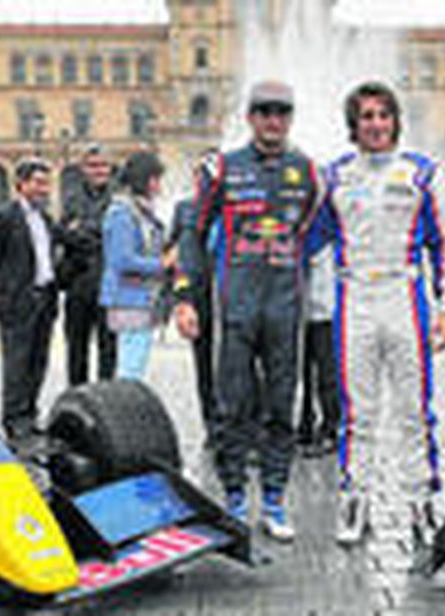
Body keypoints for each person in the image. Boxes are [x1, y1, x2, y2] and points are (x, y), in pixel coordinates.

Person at [307, 82, 445, 547]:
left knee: (415, 410)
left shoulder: (422, 173)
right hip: (353, 301)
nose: (375, 124)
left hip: (404, 296)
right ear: (354, 125)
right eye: (366, 116)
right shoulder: (334, 177)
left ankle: (421, 505)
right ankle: (355, 501)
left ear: (395, 121)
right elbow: (307, 242)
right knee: (358, 414)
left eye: (383, 115)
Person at [175, 81, 322, 541]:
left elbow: (319, 233)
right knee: (231, 407)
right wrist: (184, 296)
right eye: (264, 111)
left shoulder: (308, 171)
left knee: (283, 406)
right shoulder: (220, 168)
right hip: (234, 309)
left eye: (281, 112)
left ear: (291, 118)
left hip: (285, 309)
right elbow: (191, 234)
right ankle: (235, 496)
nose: (273, 120)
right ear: (250, 117)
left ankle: (275, 499)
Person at [0, 159, 60, 443]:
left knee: (38, 361)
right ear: (21, 185)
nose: (43, 189)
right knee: (17, 363)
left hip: (45, 299)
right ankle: (14, 420)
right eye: (38, 183)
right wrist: (8, 287)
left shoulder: (46, 219)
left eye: (46, 183)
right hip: (17, 301)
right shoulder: (4, 217)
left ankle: (30, 414)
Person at [166, 152, 220, 439]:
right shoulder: (184, 208)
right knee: (204, 362)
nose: (205, 179)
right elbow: (174, 251)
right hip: (199, 295)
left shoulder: (234, 206)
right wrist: (179, 297)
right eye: (200, 173)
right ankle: (212, 424)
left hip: (231, 293)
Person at [99, 151, 167, 381]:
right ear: (145, 180)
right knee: (131, 368)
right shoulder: (122, 213)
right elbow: (122, 260)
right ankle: (124, 414)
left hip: (140, 298)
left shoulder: (140, 210)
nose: (159, 186)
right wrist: (162, 264)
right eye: (156, 179)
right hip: (128, 299)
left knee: (135, 362)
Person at [62, 143, 118, 385]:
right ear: (83, 168)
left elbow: (117, 236)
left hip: (110, 284)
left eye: (103, 165)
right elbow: (63, 234)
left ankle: (106, 400)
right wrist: (92, 233)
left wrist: (82, 232)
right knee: (76, 349)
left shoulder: (119, 198)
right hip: (78, 282)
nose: (98, 170)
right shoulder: (71, 197)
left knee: (109, 349)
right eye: (93, 166)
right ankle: (77, 398)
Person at [298, 243, 339, 457]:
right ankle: (304, 425)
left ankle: (331, 430)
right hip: (298, 312)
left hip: (327, 313)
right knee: (300, 373)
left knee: (328, 374)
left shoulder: (332, 229)